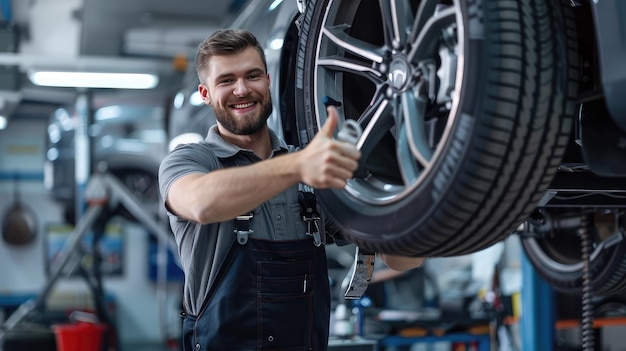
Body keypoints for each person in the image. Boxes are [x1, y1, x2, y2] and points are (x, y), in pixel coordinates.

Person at [158, 28, 425, 351]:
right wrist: (299, 165)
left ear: (268, 81)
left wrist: (407, 191)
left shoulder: (311, 170)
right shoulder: (191, 160)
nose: (242, 90)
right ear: (205, 93)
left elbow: (401, 261)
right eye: (226, 80)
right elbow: (201, 202)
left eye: (252, 75)